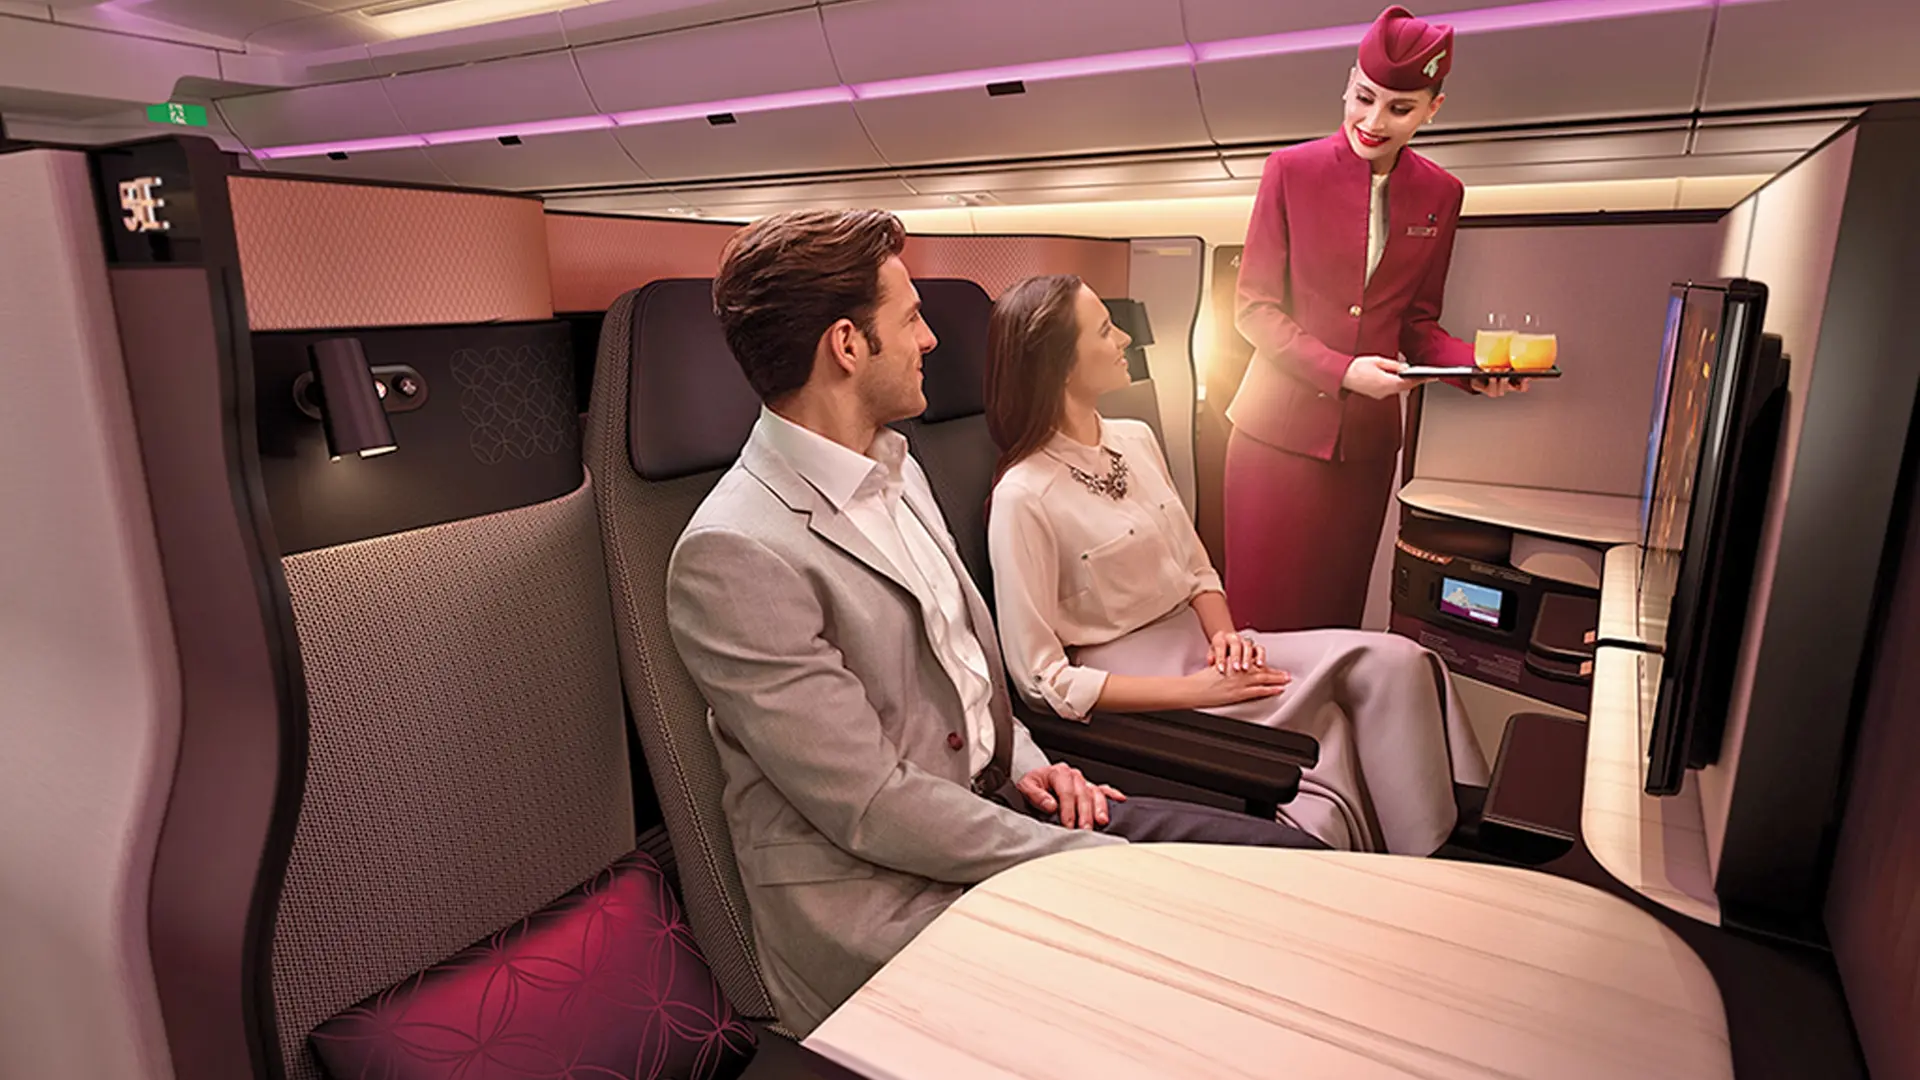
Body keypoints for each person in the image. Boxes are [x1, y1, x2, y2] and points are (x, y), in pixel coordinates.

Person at [665, 209, 1321, 1038]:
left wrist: (1036, 762)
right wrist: (1098, 863)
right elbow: (869, 806)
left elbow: (966, 673)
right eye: (910, 318)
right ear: (846, 345)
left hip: (1003, 812)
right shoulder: (735, 553)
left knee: (1300, 875)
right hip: (889, 898)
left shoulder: (893, 470)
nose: (932, 341)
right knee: (1212, 987)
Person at [985, 273, 1489, 856]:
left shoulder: (1136, 438)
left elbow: (1196, 566)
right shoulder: (1023, 496)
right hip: (1140, 675)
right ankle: (1401, 871)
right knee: (1334, 725)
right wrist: (1197, 690)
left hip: (1202, 643)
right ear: (1061, 366)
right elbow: (1041, 680)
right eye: (1104, 330)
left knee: (1397, 662)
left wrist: (1225, 637)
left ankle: (1441, 851)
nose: (1124, 338)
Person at [1226, 3, 1528, 633]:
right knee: (1262, 618)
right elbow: (1253, 310)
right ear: (1347, 83)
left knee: (1335, 617)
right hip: (1273, 439)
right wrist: (1343, 372)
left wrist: (1474, 367)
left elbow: (1418, 324)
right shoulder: (1291, 171)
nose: (1373, 120)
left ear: (1431, 109)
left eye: (1400, 107)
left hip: (1364, 448)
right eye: (1364, 98)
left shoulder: (1441, 194)